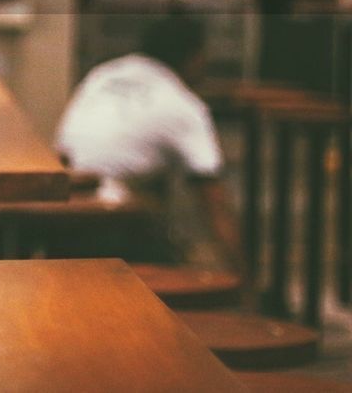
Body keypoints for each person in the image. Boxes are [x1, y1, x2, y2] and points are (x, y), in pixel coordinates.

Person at [54, 15, 243, 270]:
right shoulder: (183, 105)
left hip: (58, 205)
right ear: (193, 56)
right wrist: (244, 280)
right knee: (173, 252)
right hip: (110, 218)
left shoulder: (104, 73)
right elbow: (214, 202)